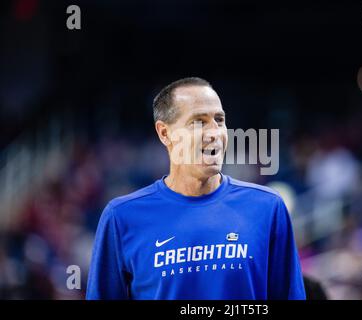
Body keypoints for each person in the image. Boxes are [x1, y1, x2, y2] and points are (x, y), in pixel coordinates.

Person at [86, 77, 306, 300]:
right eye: (198, 122)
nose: (214, 133)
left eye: (219, 120)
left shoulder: (267, 208)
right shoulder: (121, 217)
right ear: (165, 133)